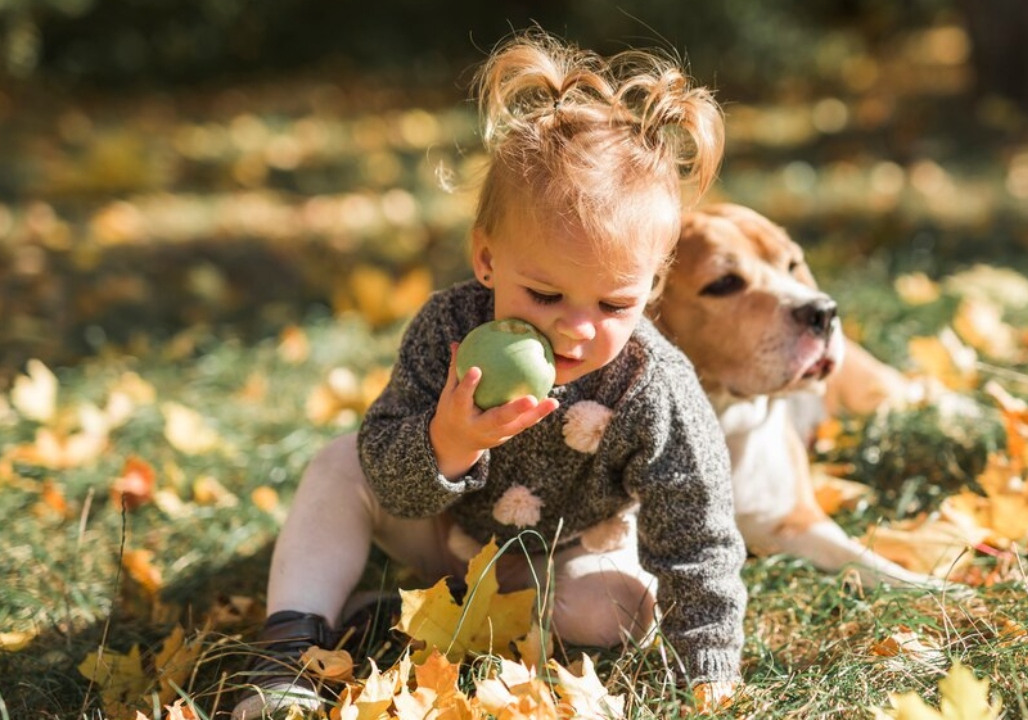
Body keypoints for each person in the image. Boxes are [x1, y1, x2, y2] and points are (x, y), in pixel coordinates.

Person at [232, 29, 747, 718]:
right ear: (486, 259)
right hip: (441, 529)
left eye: (614, 303)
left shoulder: (650, 384)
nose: (577, 326)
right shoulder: (448, 329)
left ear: (652, 286)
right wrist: (448, 440)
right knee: (338, 466)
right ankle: (292, 649)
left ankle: (411, 614)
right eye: (544, 294)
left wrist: (707, 665)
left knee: (614, 612)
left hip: (557, 557)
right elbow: (391, 476)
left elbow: (698, 529)